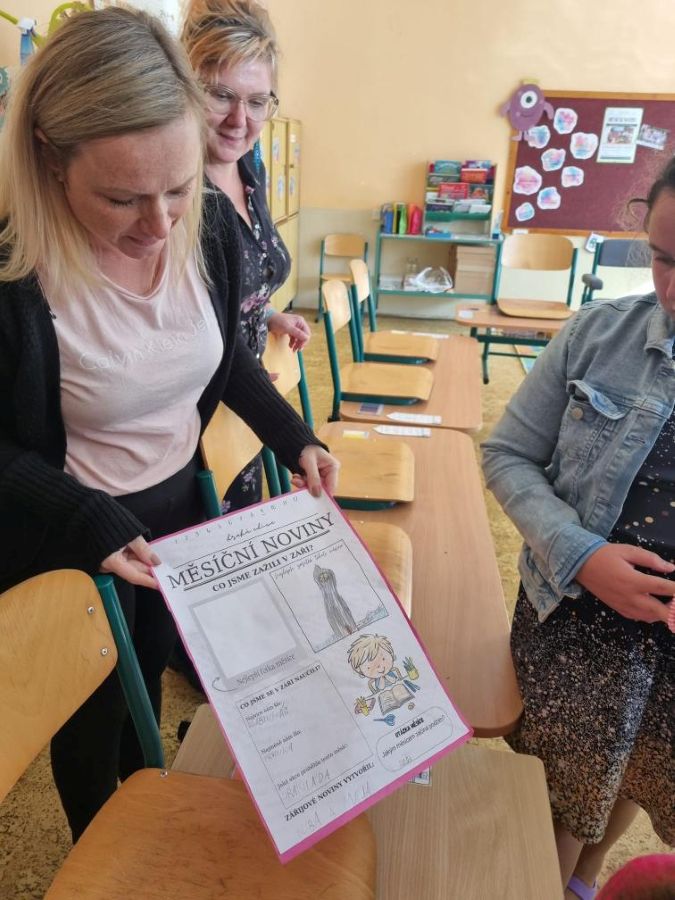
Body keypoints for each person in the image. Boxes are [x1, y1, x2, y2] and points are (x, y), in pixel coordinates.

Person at [0, 6, 338, 843]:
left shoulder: (210, 226)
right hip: (71, 534)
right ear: (50, 160)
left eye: (179, 190)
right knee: (90, 721)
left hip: (178, 515)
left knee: (146, 682)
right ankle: (103, 843)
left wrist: (293, 435)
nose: (158, 227)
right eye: (121, 198)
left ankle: (142, 811)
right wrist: (85, 517)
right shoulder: (14, 268)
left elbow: (220, 358)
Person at [482, 162, 675, 900]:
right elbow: (507, 453)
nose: (672, 289)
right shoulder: (598, 332)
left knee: (638, 764)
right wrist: (580, 554)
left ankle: (580, 879)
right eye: (662, 259)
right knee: (561, 786)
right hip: (573, 615)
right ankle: (549, 875)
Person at [182, 0, 310, 513]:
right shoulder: (178, 194)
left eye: (258, 101)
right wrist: (251, 384)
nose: (241, 119)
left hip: (249, 408)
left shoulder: (248, 170)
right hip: (207, 416)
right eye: (221, 95)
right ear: (187, 89)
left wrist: (269, 313)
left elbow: (236, 289)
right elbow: (191, 320)